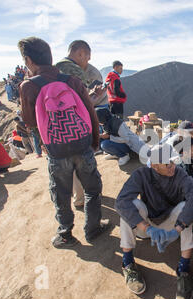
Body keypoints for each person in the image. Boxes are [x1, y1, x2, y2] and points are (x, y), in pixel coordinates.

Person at [17, 36, 110, 248]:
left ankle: (66, 234)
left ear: (29, 61)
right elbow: (90, 113)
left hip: (57, 151)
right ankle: (93, 229)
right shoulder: (72, 81)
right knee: (92, 189)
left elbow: (30, 122)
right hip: (82, 145)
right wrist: (94, 142)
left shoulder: (28, 86)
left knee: (61, 193)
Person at [115, 144, 193, 299]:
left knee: (186, 208)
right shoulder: (141, 174)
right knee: (132, 205)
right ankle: (127, 263)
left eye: (173, 162)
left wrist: (177, 230)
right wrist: (147, 228)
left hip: (170, 225)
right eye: (168, 164)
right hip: (146, 225)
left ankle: (183, 269)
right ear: (154, 166)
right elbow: (121, 202)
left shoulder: (179, 174)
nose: (173, 167)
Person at [56, 40, 107, 210]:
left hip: (57, 130)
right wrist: (96, 96)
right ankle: (90, 200)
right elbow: (82, 104)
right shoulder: (74, 71)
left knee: (69, 168)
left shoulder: (55, 69)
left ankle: (78, 199)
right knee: (84, 167)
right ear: (80, 53)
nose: (88, 62)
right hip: (75, 127)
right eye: (87, 58)